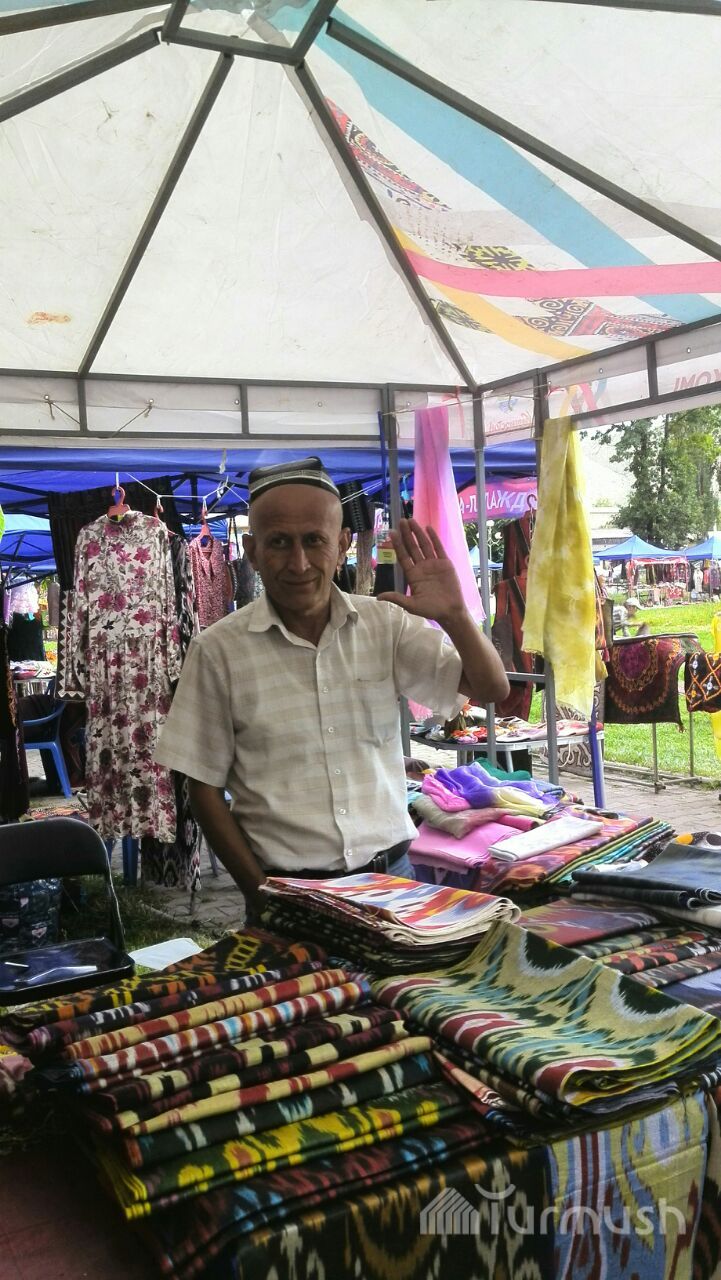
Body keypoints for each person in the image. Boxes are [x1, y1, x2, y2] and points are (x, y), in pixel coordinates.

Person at [156, 456, 509, 913]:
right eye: (279, 542)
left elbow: (491, 688)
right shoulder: (217, 651)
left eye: (314, 540)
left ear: (342, 544)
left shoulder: (386, 625)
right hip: (287, 890)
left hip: (394, 880)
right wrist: (258, 893)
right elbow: (201, 787)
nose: (298, 562)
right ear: (252, 551)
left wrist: (456, 616)